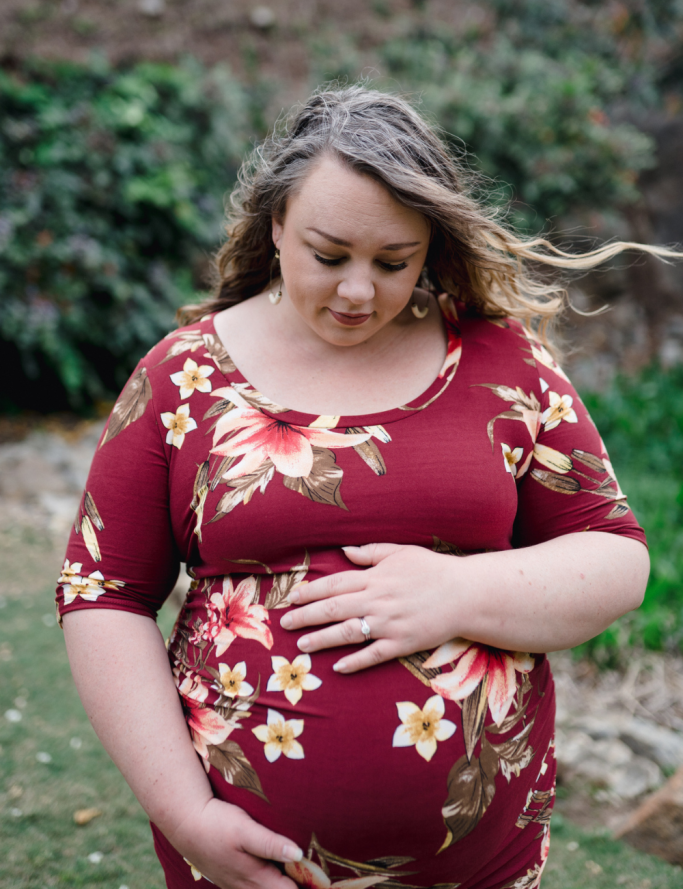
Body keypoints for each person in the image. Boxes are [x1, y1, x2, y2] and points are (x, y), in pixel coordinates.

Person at [58, 85, 663, 889]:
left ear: (429, 247)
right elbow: (103, 592)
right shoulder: (184, 375)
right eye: (328, 253)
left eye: (392, 262)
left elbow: (616, 560)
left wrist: (455, 591)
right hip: (242, 856)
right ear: (276, 225)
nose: (356, 292)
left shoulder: (501, 362)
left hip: (479, 860)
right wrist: (185, 815)